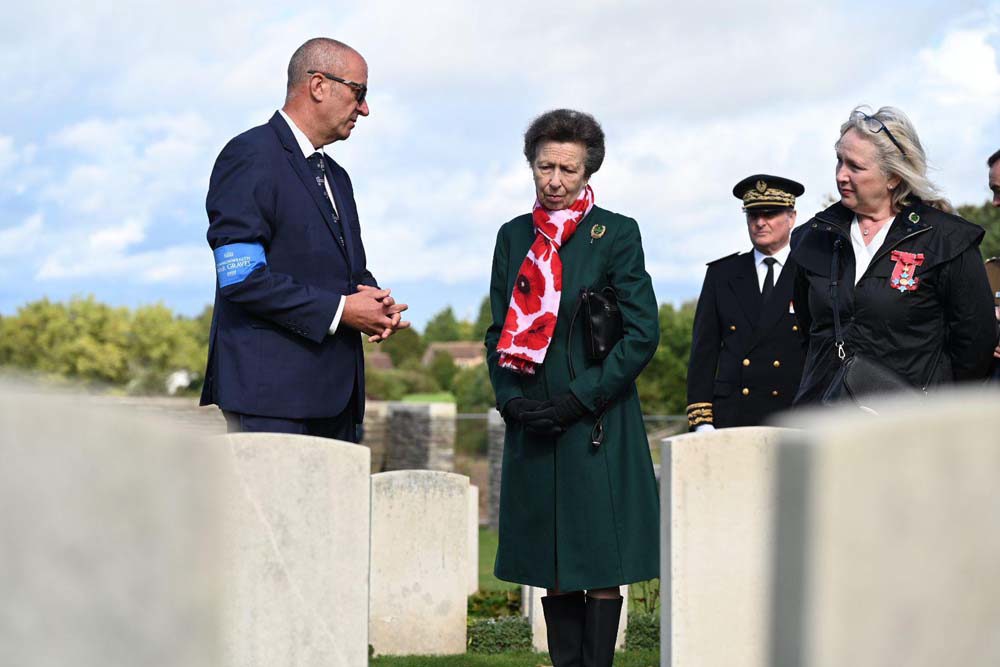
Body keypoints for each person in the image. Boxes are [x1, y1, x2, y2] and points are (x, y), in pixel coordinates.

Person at [485, 109, 659, 666]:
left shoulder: (617, 233)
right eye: (544, 166)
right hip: (534, 420)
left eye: (567, 169)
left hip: (596, 421)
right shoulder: (514, 237)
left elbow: (642, 333)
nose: (554, 180)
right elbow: (498, 331)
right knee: (552, 561)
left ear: (588, 174)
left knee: (599, 560)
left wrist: (581, 398)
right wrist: (510, 401)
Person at [200, 38, 409, 440]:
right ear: (318, 85)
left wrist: (374, 302)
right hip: (271, 402)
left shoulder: (339, 177)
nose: (365, 108)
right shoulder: (249, 155)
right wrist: (342, 311)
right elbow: (241, 278)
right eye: (358, 92)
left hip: (337, 401)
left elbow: (344, 272)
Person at [791, 106, 996, 405]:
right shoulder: (813, 237)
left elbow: (975, 345)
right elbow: (810, 331)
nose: (841, 175)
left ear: (893, 178)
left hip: (907, 427)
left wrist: (936, 409)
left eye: (855, 167)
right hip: (823, 421)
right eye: (839, 161)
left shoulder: (946, 240)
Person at [686, 174, 808, 431]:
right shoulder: (722, 274)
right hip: (733, 417)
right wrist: (702, 421)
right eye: (753, 215)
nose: (760, 223)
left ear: (792, 217)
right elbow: (704, 353)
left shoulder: (811, 273)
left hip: (793, 415)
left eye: (770, 214)